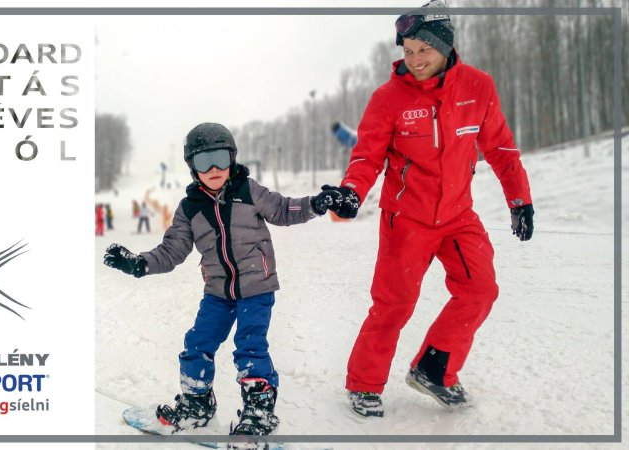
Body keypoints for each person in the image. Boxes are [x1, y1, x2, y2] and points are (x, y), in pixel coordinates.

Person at [318, 0, 535, 417]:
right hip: (407, 220)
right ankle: (364, 384)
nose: (415, 60)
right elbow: (366, 157)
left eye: (424, 50)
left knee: (480, 289)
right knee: (393, 305)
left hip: (458, 215)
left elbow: (501, 149)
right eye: (408, 50)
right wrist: (351, 192)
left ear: (446, 45)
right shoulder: (388, 99)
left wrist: (520, 199)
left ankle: (435, 368)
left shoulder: (478, 87)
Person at [104, 122, 336, 435]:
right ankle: (196, 405)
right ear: (192, 167)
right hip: (217, 292)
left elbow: (283, 210)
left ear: (232, 159)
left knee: (250, 347)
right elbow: (172, 250)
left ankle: (259, 413)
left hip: (257, 288)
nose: (213, 169)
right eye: (204, 161)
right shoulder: (190, 209)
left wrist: (316, 204)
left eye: (220, 159)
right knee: (197, 344)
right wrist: (139, 263)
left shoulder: (248, 191)